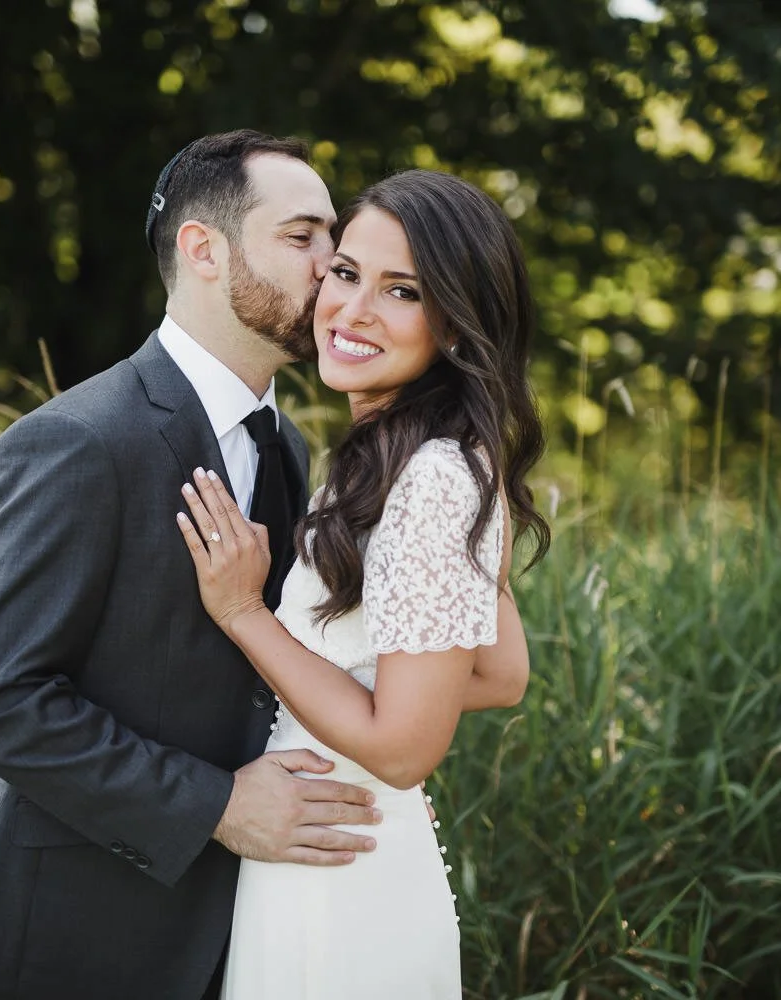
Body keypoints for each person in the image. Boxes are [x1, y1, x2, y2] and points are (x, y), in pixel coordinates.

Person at [0, 130, 388, 1000]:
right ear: (203, 249)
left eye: (336, 238)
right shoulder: (76, 442)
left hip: (242, 936)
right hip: (73, 937)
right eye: (303, 238)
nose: (333, 267)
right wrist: (215, 806)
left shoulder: (289, 446)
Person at [176, 168, 550, 998]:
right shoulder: (403, 460)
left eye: (402, 291)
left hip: (336, 872)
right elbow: (498, 671)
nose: (353, 310)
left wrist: (244, 613)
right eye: (346, 273)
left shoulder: (434, 478)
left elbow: (406, 747)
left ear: (455, 325)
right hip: (339, 845)